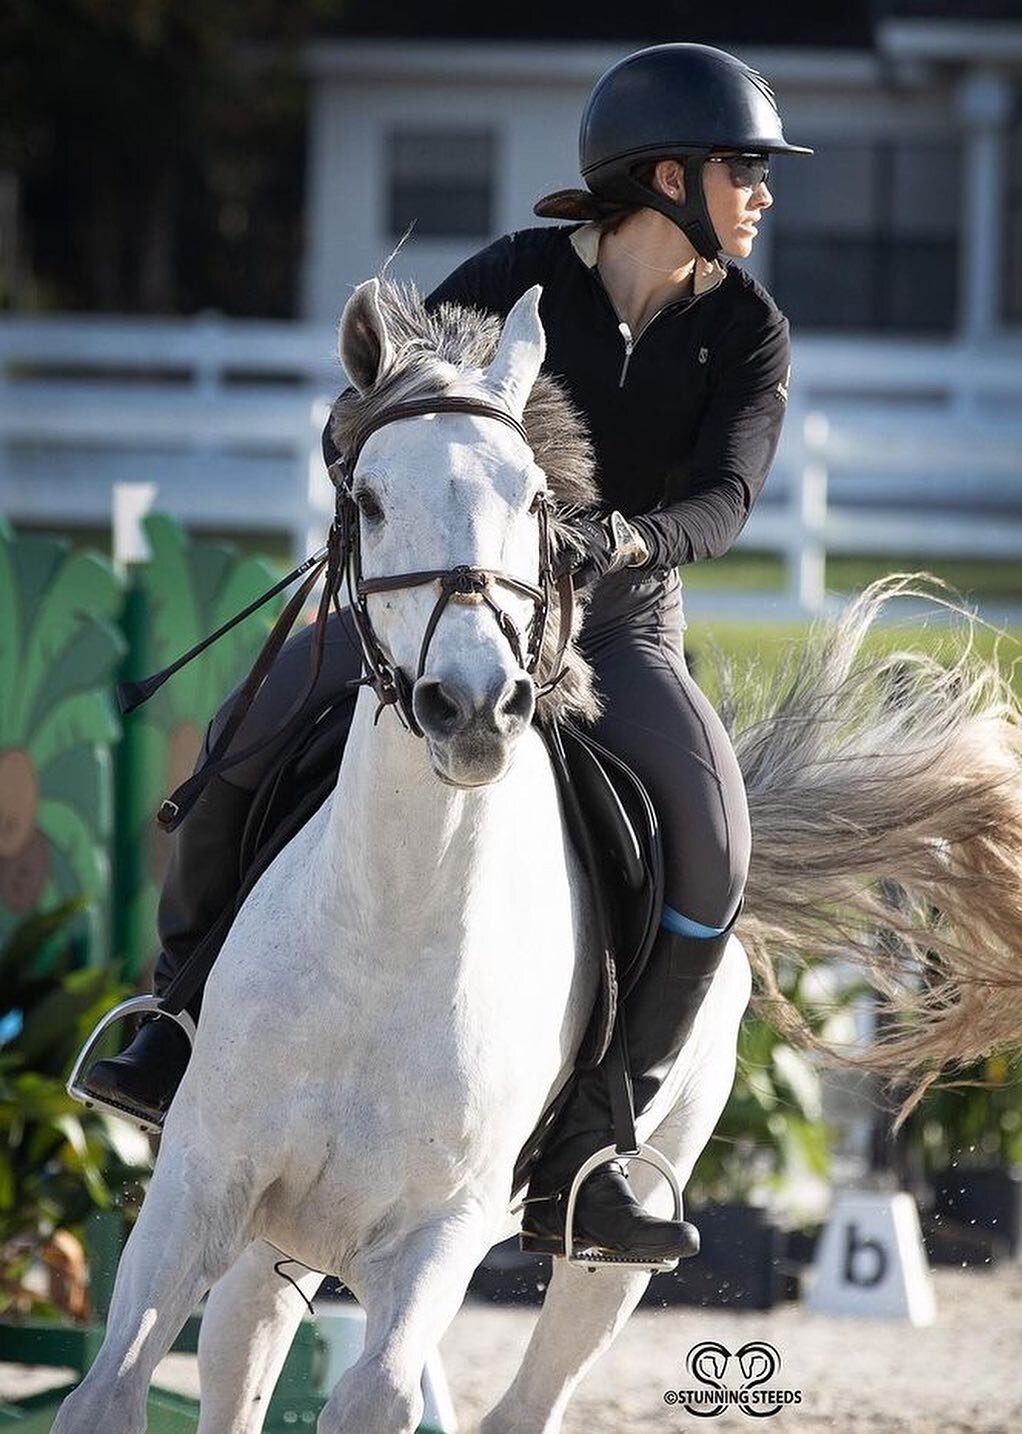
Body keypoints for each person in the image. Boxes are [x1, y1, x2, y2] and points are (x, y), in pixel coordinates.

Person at [84, 41, 811, 1262]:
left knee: (718, 851)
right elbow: (375, 402)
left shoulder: (748, 329)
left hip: (618, 620)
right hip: (445, 601)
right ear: (671, 176)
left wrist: (621, 538)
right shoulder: (515, 278)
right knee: (242, 740)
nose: (765, 191)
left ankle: (596, 1141)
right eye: (748, 167)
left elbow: (728, 501)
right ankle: (174, 1014)